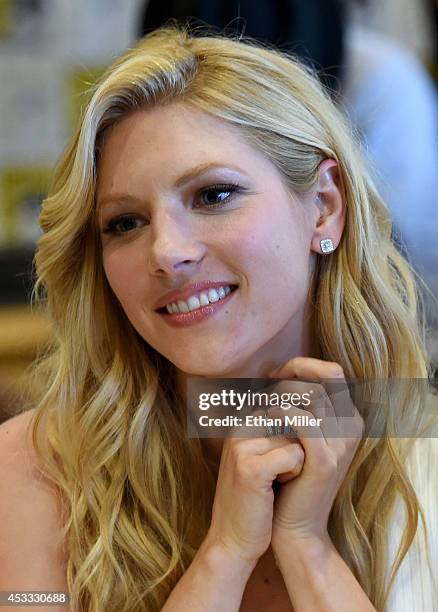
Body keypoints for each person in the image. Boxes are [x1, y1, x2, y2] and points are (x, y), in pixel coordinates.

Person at [0, 26, 437, 612]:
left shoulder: (422, 448)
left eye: (213, 196)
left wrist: (306, 548)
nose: (166, 251)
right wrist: (225, 553)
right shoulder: (31, 468)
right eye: (125, 223)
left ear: (325, 207)